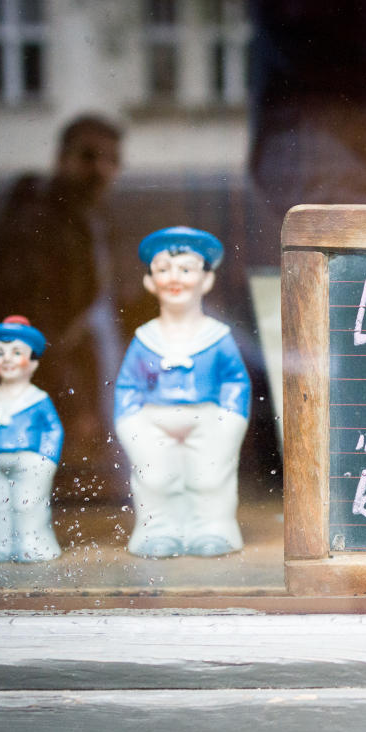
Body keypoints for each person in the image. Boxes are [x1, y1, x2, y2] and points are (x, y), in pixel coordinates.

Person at [0, 114, 135, 475]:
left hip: (85, 380)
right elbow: (31, 319)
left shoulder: (93, 220)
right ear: (62, 158)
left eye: (111, 160)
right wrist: (76, 401)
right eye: (88, 156)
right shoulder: (37, 220)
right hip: (51, 385)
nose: (101, 169)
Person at [114, 227, 251, 558]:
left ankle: (212, 529)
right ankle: (158, 531)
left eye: (186, 270)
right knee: (156, 478)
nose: (175, 278)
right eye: (163, 270)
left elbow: (236, 381)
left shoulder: (217, 337)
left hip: (207, 418)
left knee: (209, 478)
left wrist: (230, 417)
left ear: (206, 280)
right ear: (150, 281)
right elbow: (127, 386)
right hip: (154, 420)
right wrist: (131, 421)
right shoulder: (145, 339)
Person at [0, 316, 63, 563]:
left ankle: (32, 543)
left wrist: (46, 458)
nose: (7, 358)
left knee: (27, 503)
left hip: (29, 461)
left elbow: (53, 430)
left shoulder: (37, 399)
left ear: (32, 362)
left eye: (16, 352)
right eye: (0, 353)